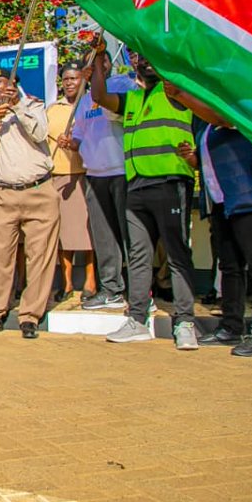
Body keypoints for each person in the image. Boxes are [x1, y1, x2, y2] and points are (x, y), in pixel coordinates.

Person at [91, 51, 202, 350]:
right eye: (142, 58)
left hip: (170, 182)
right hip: (137, 185)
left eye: (154, 57)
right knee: (139, 257)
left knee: (177, 255)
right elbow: (99, 95)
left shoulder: (177, 93)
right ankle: (137, 320)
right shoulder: (133, 99)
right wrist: (99, 59)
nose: (146, 62)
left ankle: (185, 322)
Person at [169, 86, 252, 356]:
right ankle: (231, 326)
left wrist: (180, 94)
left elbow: (224, 120)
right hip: (224, 201)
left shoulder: (243, 99)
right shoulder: (205, 119)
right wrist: (194, 159)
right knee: (230, 266)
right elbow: (214, 155)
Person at [0, 69, 59, 339]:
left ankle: (30, 315)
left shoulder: (33, 105)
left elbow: (41, 133)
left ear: (13, 84)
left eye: (0, 82)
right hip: (0, 192)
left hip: (38, 189)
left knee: (40, 256)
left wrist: (17, 106)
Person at [60, 50, 135, 311]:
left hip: (123, 172)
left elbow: (118, 112)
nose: (94, 68)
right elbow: (80, 135)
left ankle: (139, 293)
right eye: (89, 65)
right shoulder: (82, 101)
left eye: (99, 62)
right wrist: (71, 143)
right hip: (95, 174)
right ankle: (112, 289)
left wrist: (100, 78)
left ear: (107, 64)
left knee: (132, 237)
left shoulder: (123, 85)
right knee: (104, 238)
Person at [46, 61, 96, 300]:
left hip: (85, 174)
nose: (69, 83)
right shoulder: (52, 110)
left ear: (83, 80)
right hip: (59, 175)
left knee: (87, 231)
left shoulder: (91, 105)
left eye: (74, 78)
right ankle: (65, 283)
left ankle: (90, 280)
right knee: (63, 234)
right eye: (65, 79)